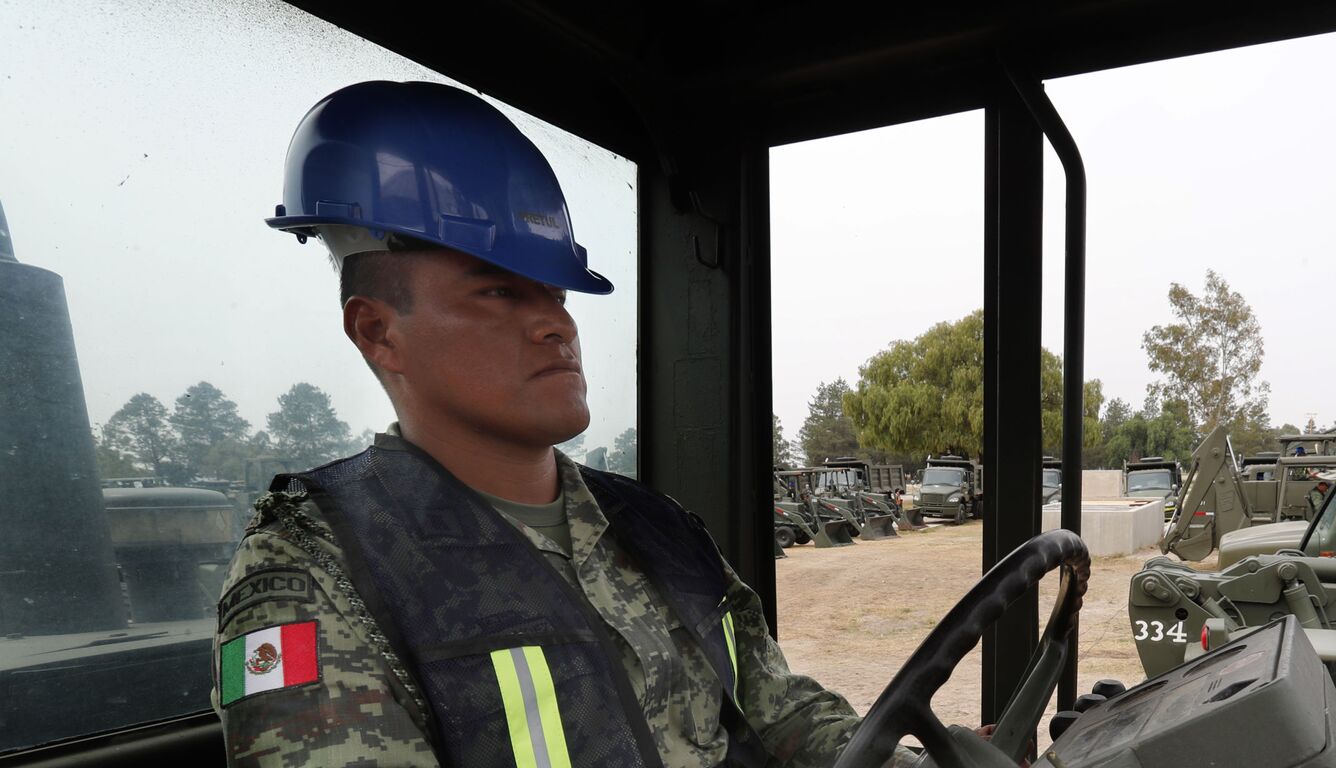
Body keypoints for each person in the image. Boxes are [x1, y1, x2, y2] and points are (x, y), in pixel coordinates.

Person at [213, 81, 915, 767]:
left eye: (553, 292)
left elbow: (782, 712)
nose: (555, 322)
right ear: (378, 332)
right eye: (497, 291)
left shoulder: (658, 526)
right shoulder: (319, 564)